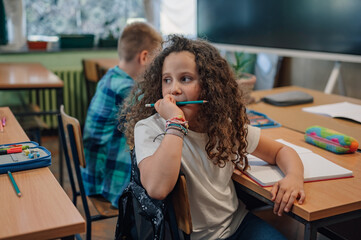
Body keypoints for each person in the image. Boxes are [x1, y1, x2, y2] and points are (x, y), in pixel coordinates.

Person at [123, 35, 306, 239]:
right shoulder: (148, 128)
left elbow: (281, 151)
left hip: (238, 225)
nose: (173, 89)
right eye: (167, 80)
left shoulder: (222, 126)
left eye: (185, 79)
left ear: (208, 86)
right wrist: (175, 122)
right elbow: (157, 188)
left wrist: (294, 177)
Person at [81, 22, 162, 208]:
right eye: (155, 62)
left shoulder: (112, 76)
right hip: (106, 180)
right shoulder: (126, 89)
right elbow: (154, 116)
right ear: (144, 57)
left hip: (93, 171)